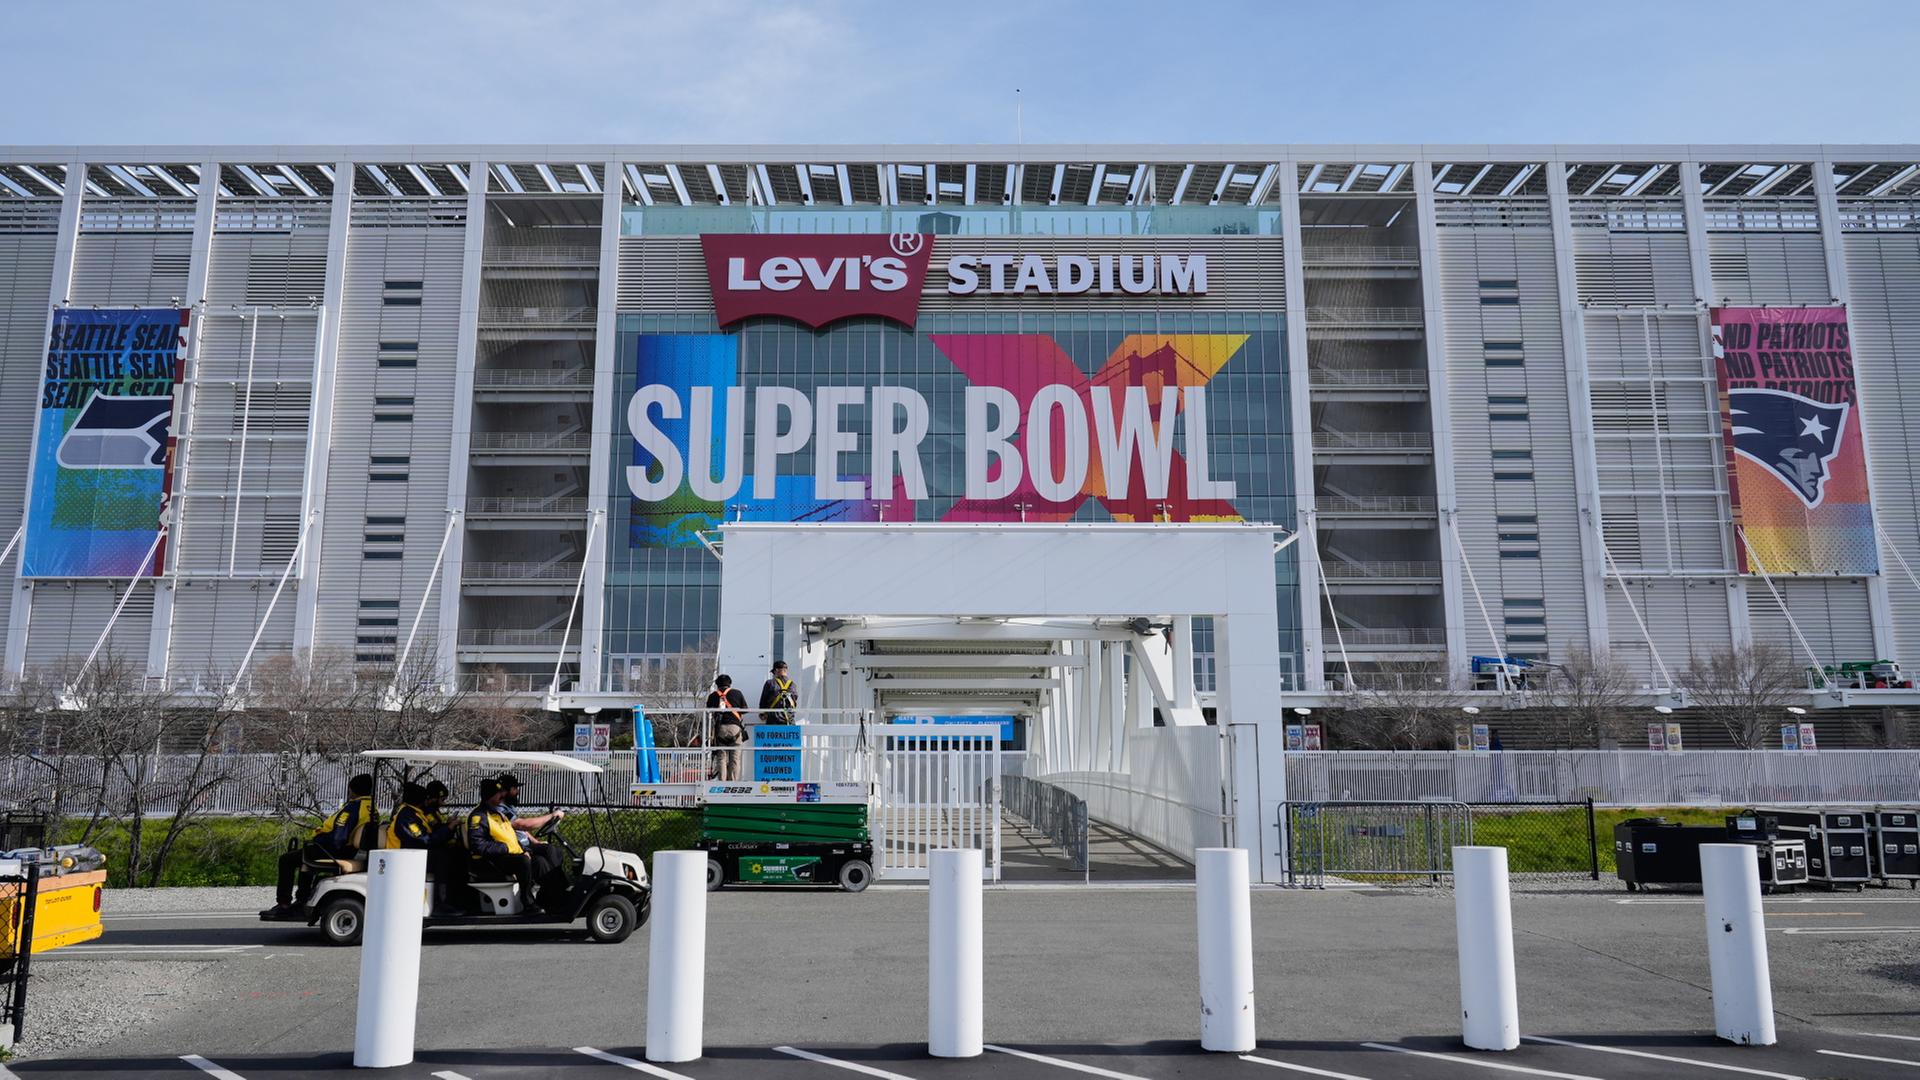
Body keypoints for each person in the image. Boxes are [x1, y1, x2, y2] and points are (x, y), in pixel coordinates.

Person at [265, 772, 374, 917]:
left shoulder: (352, 809)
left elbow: (337, 838)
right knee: (305, 858)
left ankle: (284, 903)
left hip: (337, 850)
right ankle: (301, 899)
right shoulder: (371, 807)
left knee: (286, 859)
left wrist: (319, 838)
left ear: (352, 790)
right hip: (352, 851)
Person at [463, 778, 565, 910]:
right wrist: (506, 848)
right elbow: (478, 846)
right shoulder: (479, 816)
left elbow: (511, 837)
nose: (502, 795)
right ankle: (528, 902)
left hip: (504, 857)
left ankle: (553, 898)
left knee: (539, 861)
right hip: (489, 861)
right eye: (499, 793)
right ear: (490, 795)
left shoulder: (498, 814)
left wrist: (523, 850)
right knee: (523, 861)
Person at [705, 674, 750, 780]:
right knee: (735, 758)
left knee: (721, 757)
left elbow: (708, 711)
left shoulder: (713, 696)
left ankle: (722, 782)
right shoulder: (737, 693)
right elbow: (745, 710)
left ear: (717, 685)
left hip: (720, 729)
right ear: (730, 684)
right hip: (735, 728)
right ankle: (732, 783)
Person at [758, 660, 798, 724]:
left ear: (776, 670)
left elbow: (763, 701)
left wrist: (762, 714)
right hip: (789, 720)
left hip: (773, 720)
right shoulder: (793, 684)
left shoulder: (769, 683)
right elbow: (794, 701)